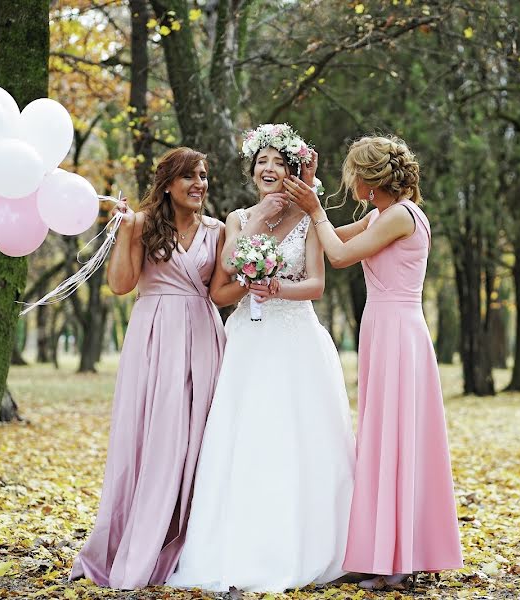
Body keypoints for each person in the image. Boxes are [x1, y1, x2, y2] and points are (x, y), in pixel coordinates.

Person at [167, 124, 354, 593]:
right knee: (248, 440)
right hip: (249, 344)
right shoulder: (236, 217)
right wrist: (255, 227)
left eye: (277, 161)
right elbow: (222, 283)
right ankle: (242, 547)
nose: (268, 169)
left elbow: (315, 284)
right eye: (261, 162)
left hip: (297, 342)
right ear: (252, 172)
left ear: (291, 168)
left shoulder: (310, 216)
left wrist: (276, 288)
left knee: (301, 440)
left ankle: (311, 547)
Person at [286, 135, 463, 590]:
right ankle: (382, 552)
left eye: (354, 175)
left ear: (368, 179)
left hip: (399, 334)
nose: (351, 182)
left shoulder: (402, 216)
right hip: (383, 332)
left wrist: (316, 212)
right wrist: (306, 199)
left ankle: (397, 558)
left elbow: (341, 256)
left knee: (397, 439)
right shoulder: (381, 215)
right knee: (384, 439)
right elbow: (328, 241)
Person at [70, 147, 226, 589]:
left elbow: (218, 292)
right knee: (154, 436)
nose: (200, 184)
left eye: (203, 175)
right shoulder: (139, 224)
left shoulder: (216, 230)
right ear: (167, 183)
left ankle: (189, 541)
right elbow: (120, 284)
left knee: (197, 439)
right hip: (155, 337)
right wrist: (122, 232)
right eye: (189, 176)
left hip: (203, 336)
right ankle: (139, 540)